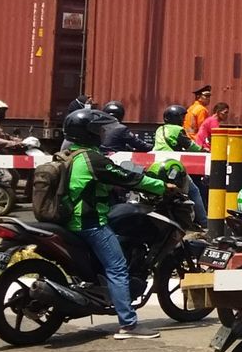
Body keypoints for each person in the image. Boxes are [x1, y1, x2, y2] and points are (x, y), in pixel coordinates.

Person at [61, 108, 174, 340]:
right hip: (89, 223)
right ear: (89, 133)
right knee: (118, 267)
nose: (102, 133)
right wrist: (163, 187)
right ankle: (129, 325)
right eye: (99, 130)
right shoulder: (91, 159)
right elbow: (126, 177)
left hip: (68, 220)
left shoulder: (67, 154)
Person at [154, 105, 207, 228]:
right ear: (174, 118)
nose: (183, 120)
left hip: (156, 165)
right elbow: (191, 146)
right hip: (172, 166)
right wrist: (204, 151)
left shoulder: (159, 129)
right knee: (194, 191)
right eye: (181, 117)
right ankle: (204, 223)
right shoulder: (177, 130)